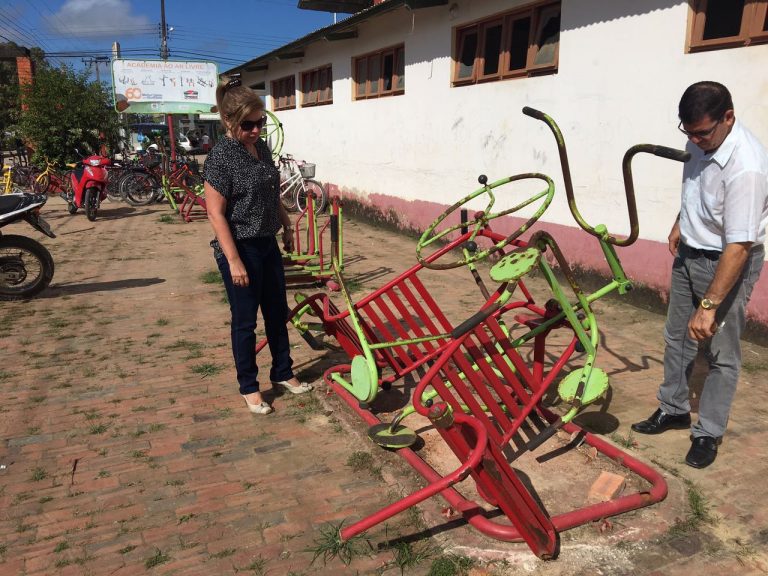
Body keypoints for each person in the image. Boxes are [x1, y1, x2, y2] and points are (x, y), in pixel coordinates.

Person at [631, 81, 768, 469]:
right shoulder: (700, 140)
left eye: (702, 133)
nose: (693, 140)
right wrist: (681, 222)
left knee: (720, 352)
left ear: (728, 118)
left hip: (727, 263)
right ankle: (673, 408)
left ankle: (707, 431)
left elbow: (739, 246)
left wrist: (709, 305)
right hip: (691, 252)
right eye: (687, 132)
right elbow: (696, 186)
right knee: (676, 336)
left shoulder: (747, 167)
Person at [202, 76, 312, 415]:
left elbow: (271, 189)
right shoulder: (221, 157)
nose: (255, 130)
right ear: (229, 122)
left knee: (277, 313)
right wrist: (233, 260)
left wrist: (286, 222)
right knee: (245, 320)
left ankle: (282, 372)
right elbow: (216, 213)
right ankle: (249, 386)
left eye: (260, 122)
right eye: (248, 125)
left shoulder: (261, 148)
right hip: (241, 248)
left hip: (266, 243)